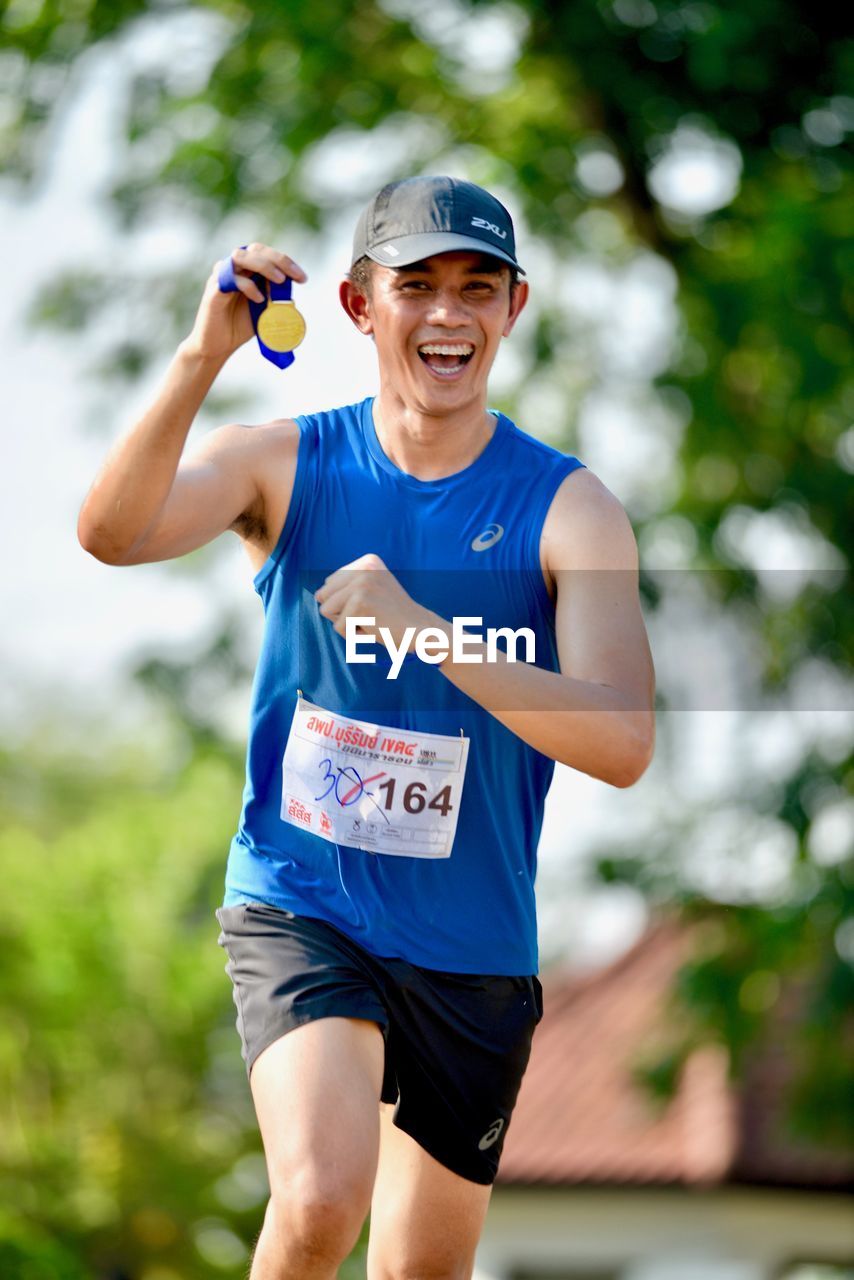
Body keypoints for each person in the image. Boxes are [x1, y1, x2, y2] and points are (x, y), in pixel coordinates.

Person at [78, 174, 655, 1279]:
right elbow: (111, 534)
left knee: (415, 1272)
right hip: (305, 900)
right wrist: (203, 355)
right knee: (318, 1196)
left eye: (475, 289)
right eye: (417, 286)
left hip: (473, 944)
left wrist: (427, 630)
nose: (448, 314)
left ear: (512, 310)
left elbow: (621, 740)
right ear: (357, 305)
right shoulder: (283, 462)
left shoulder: (567, 506)